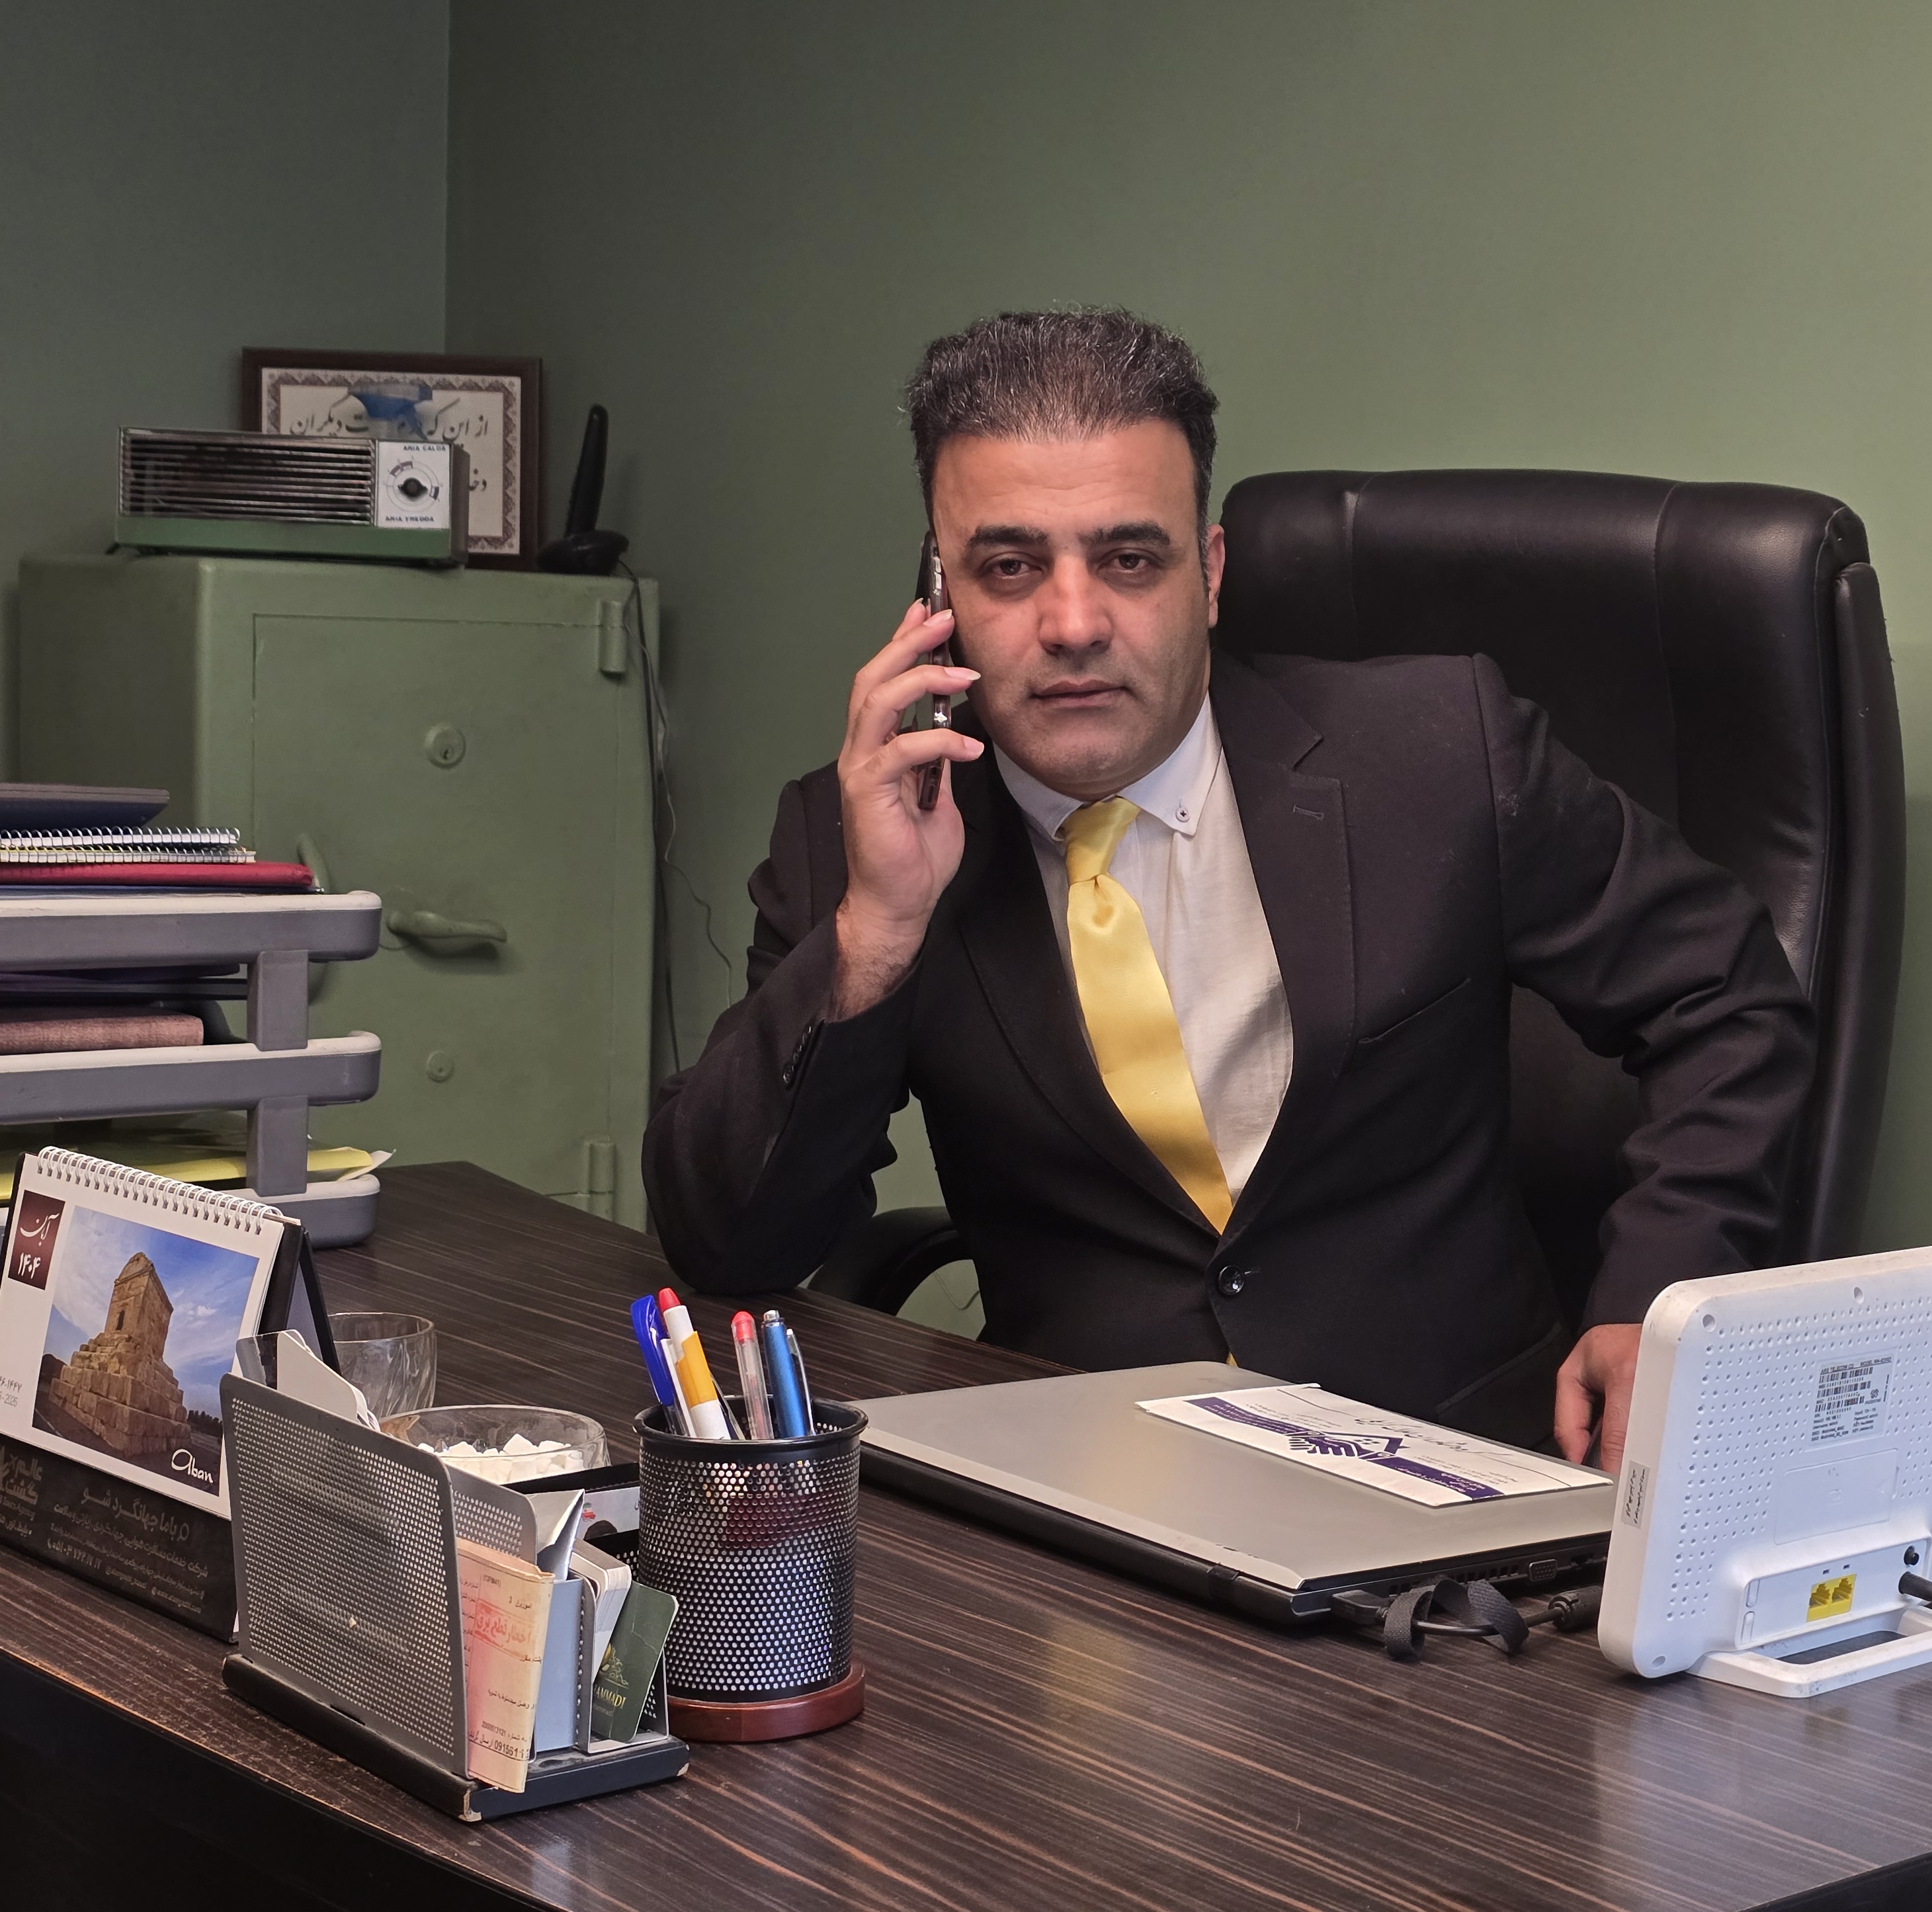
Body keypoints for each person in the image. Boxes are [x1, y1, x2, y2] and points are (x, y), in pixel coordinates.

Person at [645, 309, 1814, 1469]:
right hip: (1090, 1491)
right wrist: (878, 931)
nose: (1073, 623)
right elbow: (729, 1247)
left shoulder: (1440, 753)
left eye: (1129, 560)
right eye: (1009, 568)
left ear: (1206, 575)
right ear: (937, 590)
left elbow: (1726, 995)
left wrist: (1659, 1301)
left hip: (1452, 1476)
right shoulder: (860, 832)